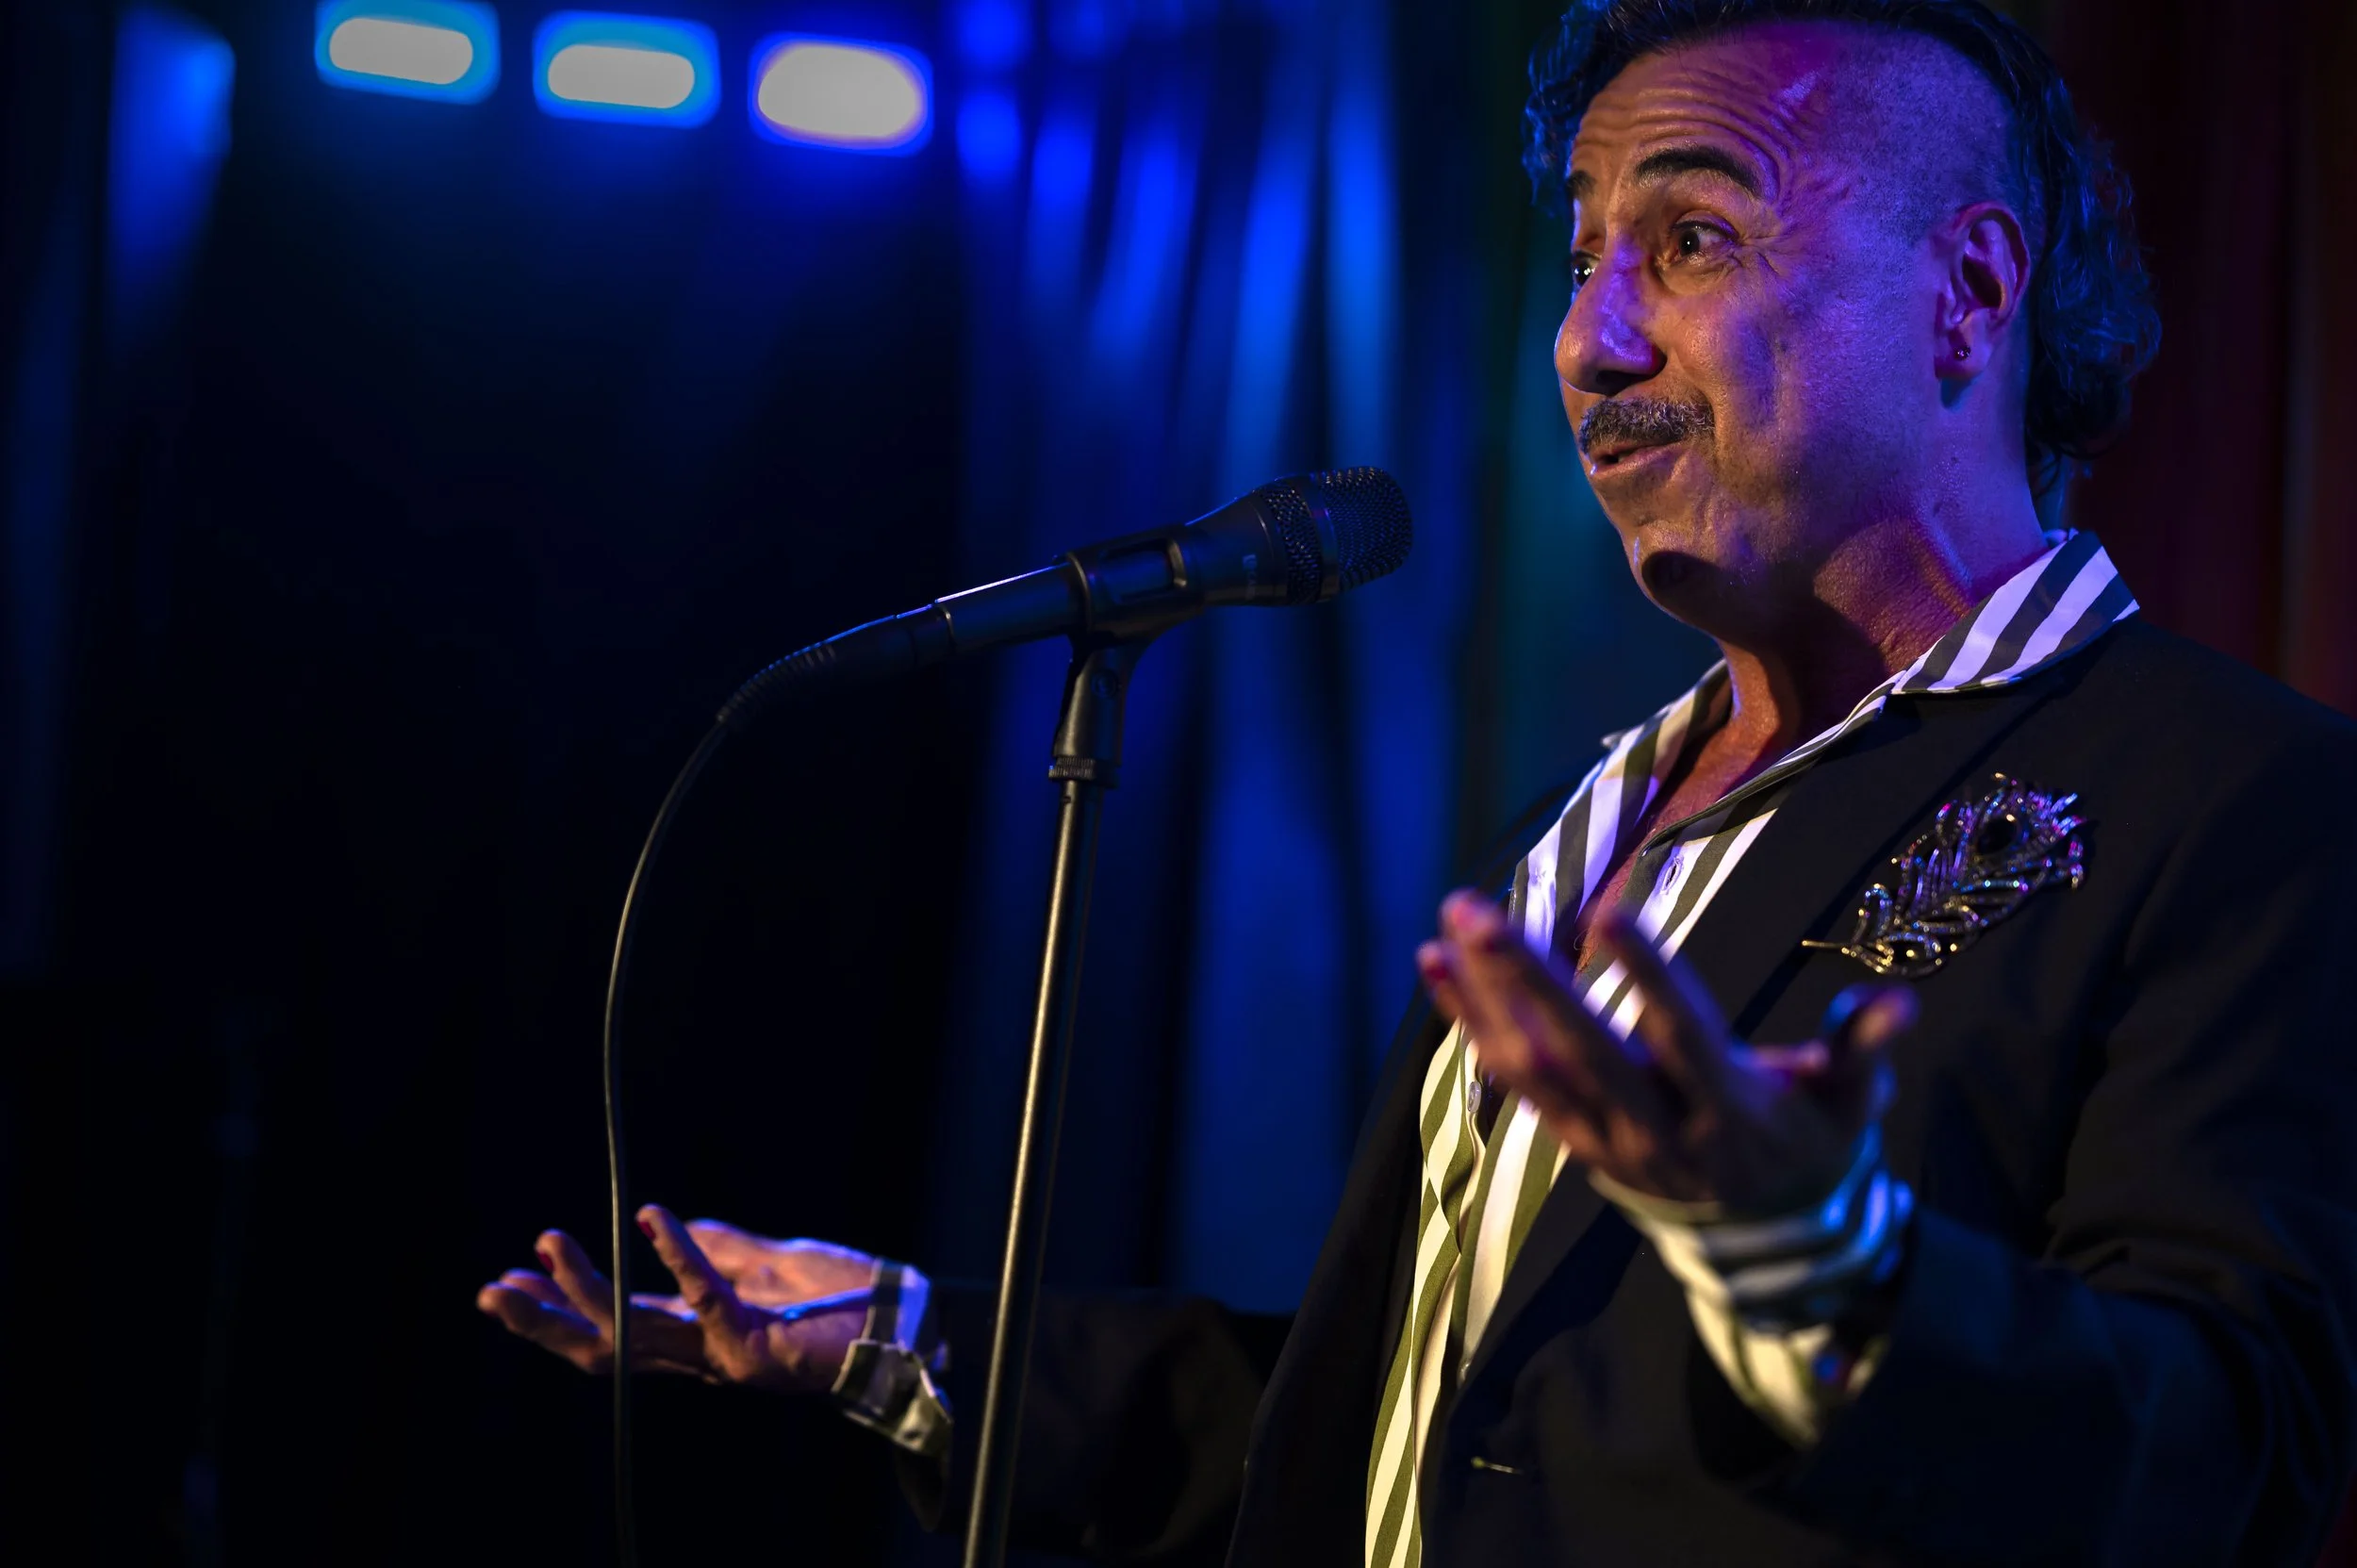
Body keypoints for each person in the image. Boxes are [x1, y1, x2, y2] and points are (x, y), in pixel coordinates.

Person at [478, 1, 2357, 1562]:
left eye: (1691, 241)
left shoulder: (2234, 801)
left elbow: (2227, 1455)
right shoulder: (1583, 829)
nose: (1588, 340)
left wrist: (1825, 1270)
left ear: (1967, 293)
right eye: (1582, 254)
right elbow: (1420, 1422)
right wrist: (897, 1340)